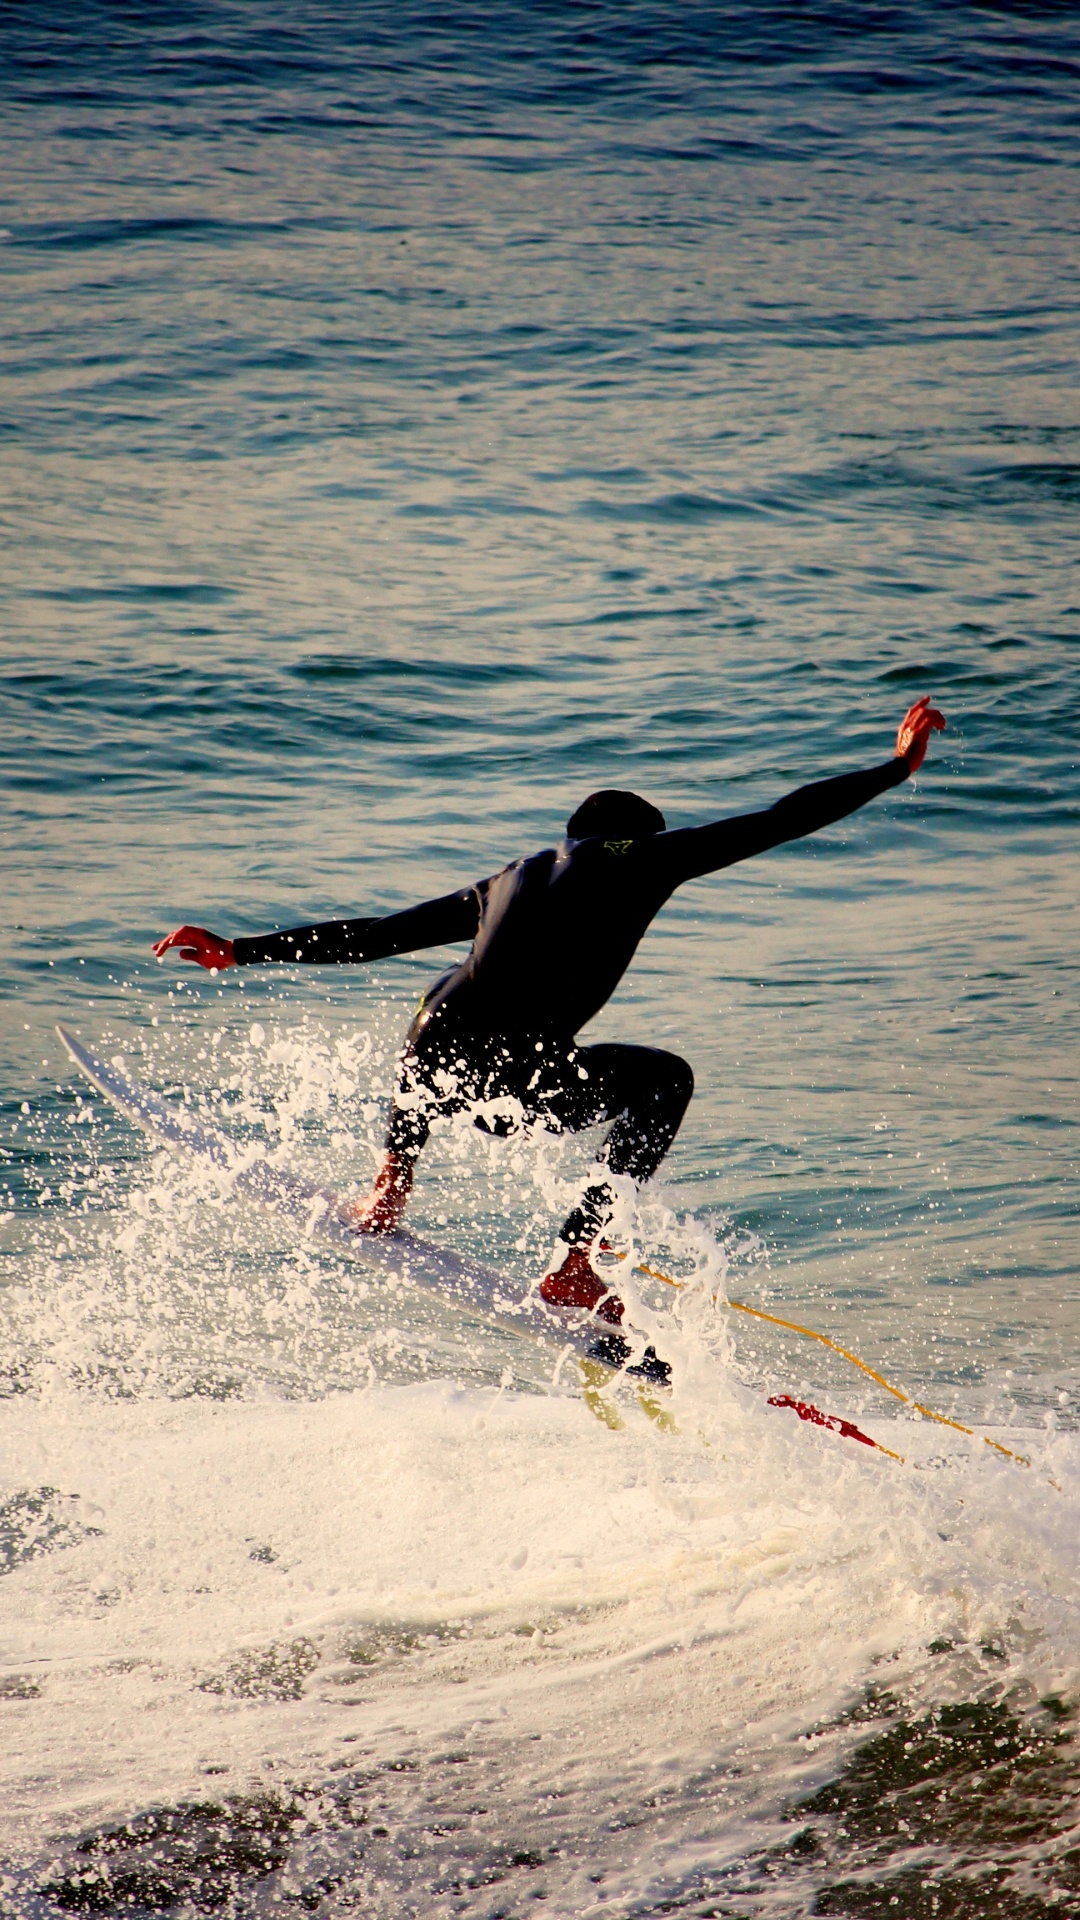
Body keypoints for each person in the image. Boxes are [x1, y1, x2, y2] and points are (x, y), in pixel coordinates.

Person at [154, 697, 944, 1337]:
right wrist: (895, 767)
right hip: (521, 1077)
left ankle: (392, 1182)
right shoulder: (642, 858)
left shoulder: (504, 880)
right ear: (640, 838)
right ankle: (575, 1264)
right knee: (665, 1081)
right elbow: (780, 818)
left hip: (437, 1065)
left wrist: (241, 949)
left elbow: (376, 935)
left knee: (441, 996)